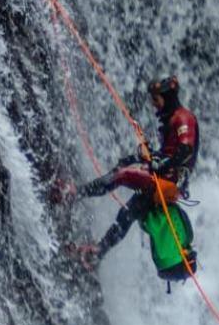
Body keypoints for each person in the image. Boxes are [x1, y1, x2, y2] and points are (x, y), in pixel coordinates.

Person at [64, 75, 200, 271]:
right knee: (129, 212)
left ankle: (75, 193)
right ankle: (98, 252)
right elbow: (169, 153)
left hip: (169, 182)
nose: (154, 104)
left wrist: (159, 164)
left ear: (167, 97)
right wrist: (148, 157)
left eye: (156, 99)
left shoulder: (182, 118)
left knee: (123, 174)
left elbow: (185, 151)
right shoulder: (171, 119)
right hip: (163, 178)